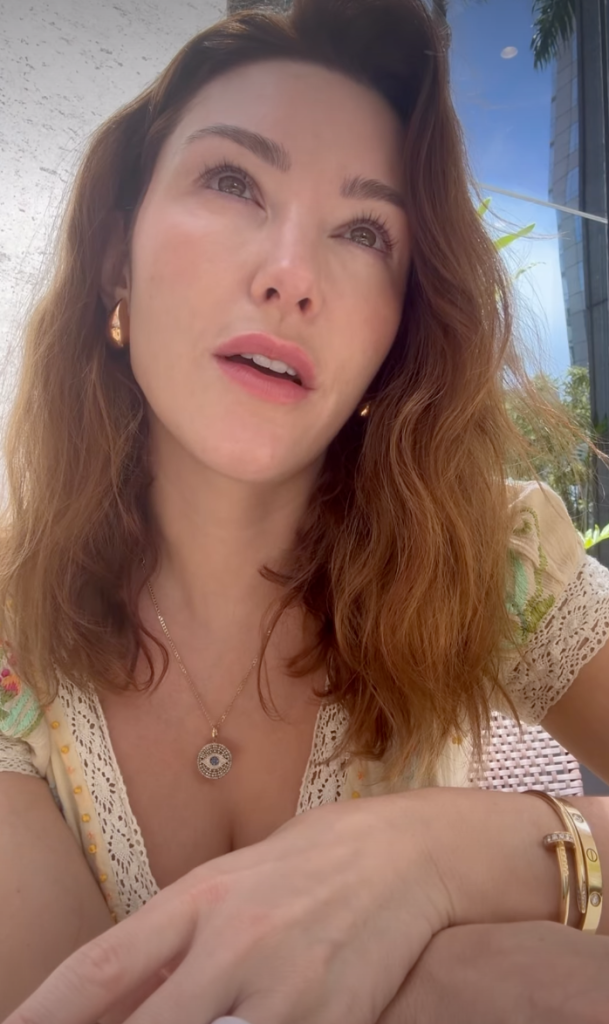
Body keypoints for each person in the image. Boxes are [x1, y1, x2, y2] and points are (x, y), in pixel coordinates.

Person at [0, 0, 608, 1021]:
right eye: (233, 180)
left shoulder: (489, 558)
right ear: (117, 254)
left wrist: (449, 856)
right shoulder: (15, 632)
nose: (291, 275)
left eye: (365, 230)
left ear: (396, 331)